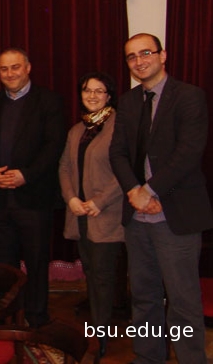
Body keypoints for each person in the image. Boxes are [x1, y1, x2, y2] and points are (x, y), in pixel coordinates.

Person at [110, 33, 212, 364]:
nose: (139, 61)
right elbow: (117, 153)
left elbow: (188, 153)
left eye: (146, 53)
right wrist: (134, 192)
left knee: (183, 301)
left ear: (162, 55)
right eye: (131, 56)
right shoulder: (127, 101)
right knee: (143, 297)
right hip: (137, 218)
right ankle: (147, 358)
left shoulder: (189, 96)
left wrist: (149, 191)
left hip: (175, 215)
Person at [0, 48, 66, 328]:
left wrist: (26, 175)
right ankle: (6, 318)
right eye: (4, 69)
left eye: (15, 67)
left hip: (33, 198)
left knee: (36, 262)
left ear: (28, 68)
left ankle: (36, 318)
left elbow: (54, 146)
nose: (10, 73)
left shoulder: (49, 102)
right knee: (3, 266)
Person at [58, 71, 123, 358]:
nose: (92, 96)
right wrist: (71, 198)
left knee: (103, 279)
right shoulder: (77, 130)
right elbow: (64, 167)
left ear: (109, 96)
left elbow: (126, 170)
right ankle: (98, 331)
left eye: (99, 91)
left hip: (106, 215)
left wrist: (100, 201)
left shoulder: (119, 127)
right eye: (87, 90)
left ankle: (103, 338)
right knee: (91, 274)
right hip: (80, 214)